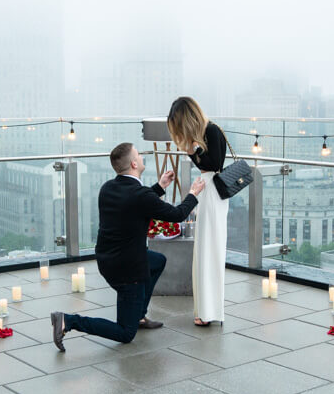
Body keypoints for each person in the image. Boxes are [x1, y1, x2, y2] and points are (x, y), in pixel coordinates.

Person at [51, 142, 204, 351]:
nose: (141, 157)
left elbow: (135, 201)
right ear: (133, 163)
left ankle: (139, 315)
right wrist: (193, 194)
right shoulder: (140, 195)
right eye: (139, 155)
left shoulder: (108, 188)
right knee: (125, 333)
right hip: (128, 271)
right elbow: (177, 214)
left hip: (108, 262)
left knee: (158, 261)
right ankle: (68, 321)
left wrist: (159, 187)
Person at [166, 96, 228, 327]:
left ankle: (210, 311)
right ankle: (207, 309)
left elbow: (214, 164)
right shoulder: (205, 133)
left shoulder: (211, 131)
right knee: (205, 249)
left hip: (212, 191)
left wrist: (194, 150)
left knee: (209, 249)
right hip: (207, 190)